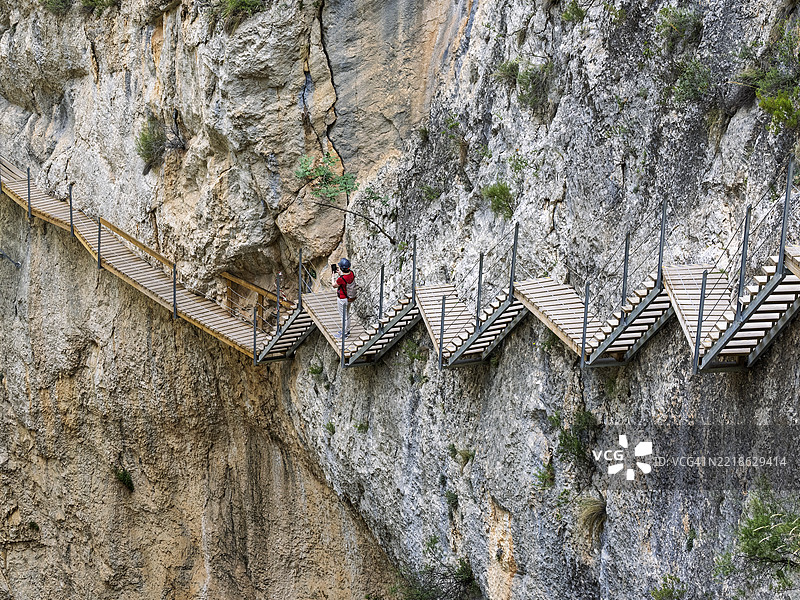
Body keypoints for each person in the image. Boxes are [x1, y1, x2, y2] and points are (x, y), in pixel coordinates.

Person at [331, 258, 354, 339]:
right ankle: (347, 331)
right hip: (349, 298)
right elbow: (346, 278)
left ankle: (344, 334)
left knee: (343, 317)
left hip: (342, 299)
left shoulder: (341, 279)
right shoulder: (351, 274)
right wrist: (340, 273)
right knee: (347, 315)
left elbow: (334, 285)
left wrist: (333, 277)